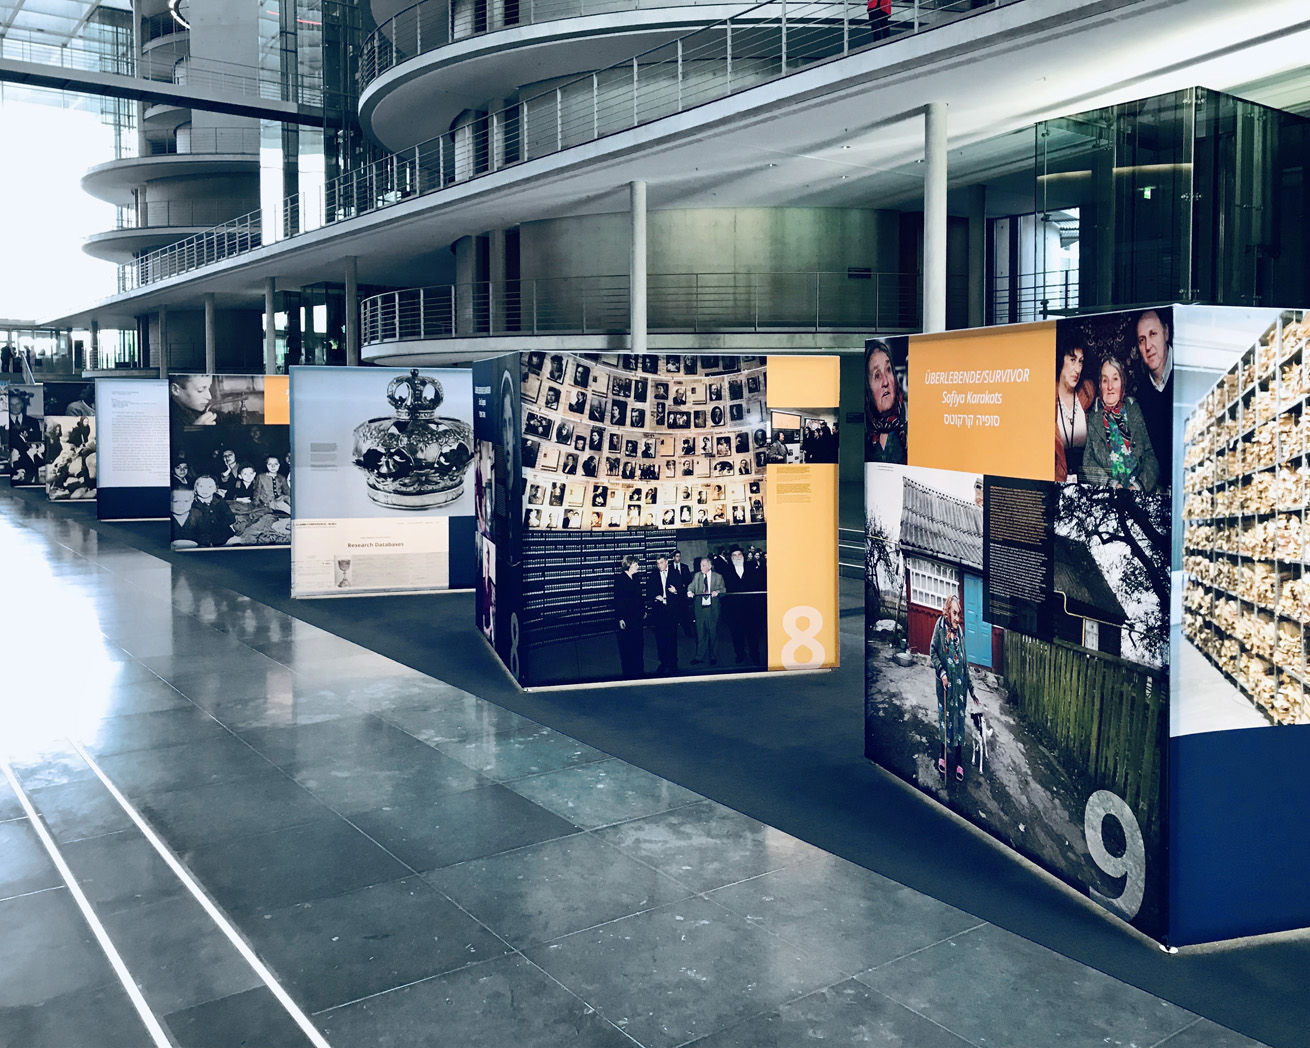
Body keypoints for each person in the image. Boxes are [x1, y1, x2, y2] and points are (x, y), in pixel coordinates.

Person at [1084, 355, 1159, 492]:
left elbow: (1150, 456)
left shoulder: (1133, 408)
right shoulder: (1093, 416)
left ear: (1122, 382)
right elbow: (1088, 463)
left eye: (1115, 379)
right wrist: (1110, 484)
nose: (1110, 387)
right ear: (1100, 385)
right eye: (1105, 380)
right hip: (1108, 494)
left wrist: (1138, 486)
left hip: (1138, 492)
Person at [931, 594, 977, 784]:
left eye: (959, 614)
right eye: (955, 613)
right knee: (945, 721)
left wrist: (972, 689)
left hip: (960, 690)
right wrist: (942, 673)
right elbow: (933, 651)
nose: (958, 618)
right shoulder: (940, 628)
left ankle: (958, 762)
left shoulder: (960, 633)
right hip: (945, 687)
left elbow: (964, 663)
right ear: (948, 612)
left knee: (958, 723)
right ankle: (942, 756)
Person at [1133, 308, 1173, 473]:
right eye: (1142, 340)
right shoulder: (1140, 395)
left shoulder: (1189, 372)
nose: (1148, 346)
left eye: (1153, 334)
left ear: (1166, 333)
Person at [1055, 340, 1095, 481]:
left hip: (1086, 480)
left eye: (1080, 361)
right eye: (1072, 360)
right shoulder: (1047, 400)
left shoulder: (1087, 393)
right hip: (1057, 480)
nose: (1078, 369)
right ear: (1060, 361)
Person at [721, 544, 764, 664]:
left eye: (739, 554)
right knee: (737, 635)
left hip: (751, 608)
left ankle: (755, 655)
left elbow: (759, 583)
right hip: (734, 610)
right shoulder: (727, 570)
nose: (737, 557)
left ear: (743, 556)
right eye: (734, 555)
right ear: (731, 557)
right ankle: (740, 654)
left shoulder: (751, 567)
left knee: (752, 634)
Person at [865, 340, 907, 463]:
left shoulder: (910, 424)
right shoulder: (866, 436)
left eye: (888, 370)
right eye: (877, 375)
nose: (885, 382)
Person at [175, 475, 237, 547]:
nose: (205, 490)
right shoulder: (191, 503)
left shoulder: (220, 501)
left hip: (222, 536)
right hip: (200, 539)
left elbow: (230, 518)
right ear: (195, 488)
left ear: (215, 489)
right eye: (201, 486)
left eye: (210, 487)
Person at [646, 555, 683, 674]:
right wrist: (655, 597)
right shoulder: (653, 575)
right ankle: (663, 662)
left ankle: (673, 663)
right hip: (659, 611)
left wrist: (676, 591)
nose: (659, 565)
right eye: (657, 563)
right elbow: (648, 592)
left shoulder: (675, 573)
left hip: (672, 611)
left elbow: (683, 591)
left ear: (666, 562)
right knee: (661, 638)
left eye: (661, 563)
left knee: (672, 638)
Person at [687, 556, 725, 665]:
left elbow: (723, 589)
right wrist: (689, 591)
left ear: (710, 566)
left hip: (712, 609)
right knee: (700, 633)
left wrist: (718, 591)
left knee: (713, 633)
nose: (701, 567)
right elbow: (691, 586)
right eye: (700, 565)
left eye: (703, 565)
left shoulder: (718, 577)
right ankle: (699, 657)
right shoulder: (697, 576)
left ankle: (713, 656)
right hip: (700, 609)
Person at [614, 554, 646, 678]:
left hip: (637, 618)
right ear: (629, 565)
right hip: (627, 619)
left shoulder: (636, 578)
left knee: (639, 644)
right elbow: (618, 600)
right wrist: (620, 618)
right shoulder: (620, 580)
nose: (638, 567)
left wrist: (643, 610)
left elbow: (640, 597)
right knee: (627, 646)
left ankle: (640, 671)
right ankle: (628, 673)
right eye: (636, 564)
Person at [669, 549, 695, 638]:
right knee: (674, 616)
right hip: (674, 595)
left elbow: (689, 580)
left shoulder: (685, 567)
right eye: (676, 556)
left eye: (679, 556)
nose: (678, 558)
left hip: (683, 595)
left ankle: (688, 633)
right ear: (673, 558)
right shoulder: (669, 568)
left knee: (685, 615)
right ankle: (673, 634)